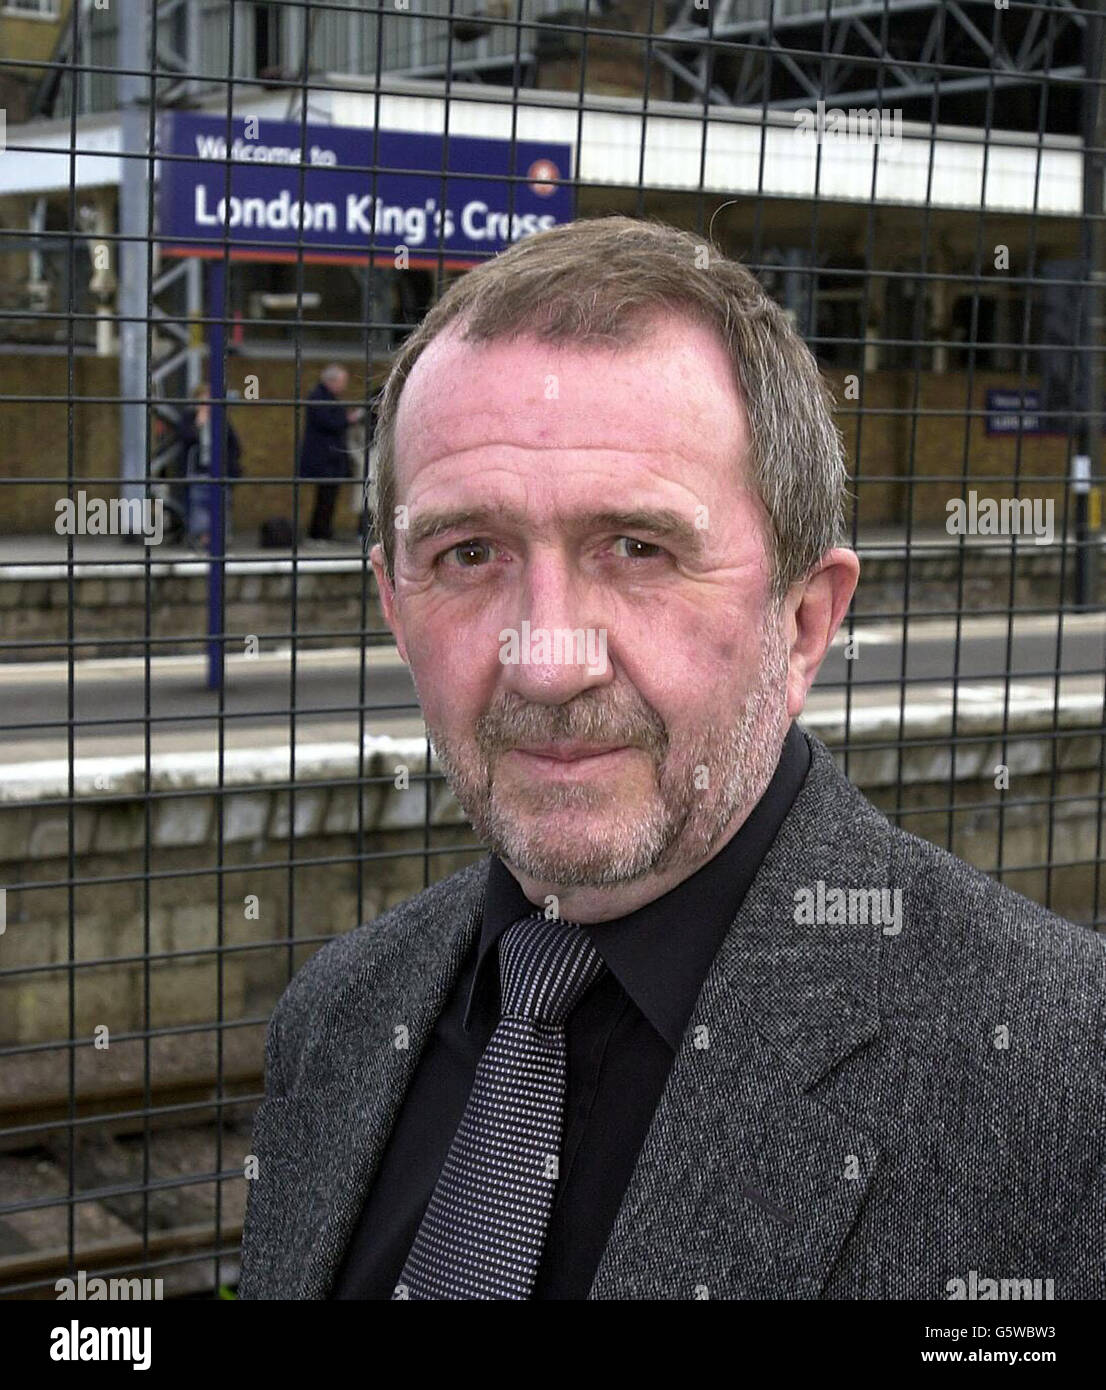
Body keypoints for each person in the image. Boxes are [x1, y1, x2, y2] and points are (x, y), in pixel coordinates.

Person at [238, 216, 1106, 1301]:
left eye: (636, 549)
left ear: (801, 623)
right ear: (394, 608)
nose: (548, 661)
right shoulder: (338, 1014)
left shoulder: (1064, 1080)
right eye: (468, 553)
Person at [297, 364, 363, 541]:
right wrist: (349, 419)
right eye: (342, 382)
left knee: (328, 497)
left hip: (330, 458)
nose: (344, 386)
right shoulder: (320, 398)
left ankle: (323, 532)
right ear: (331, 381)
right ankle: (319, 534)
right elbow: (330, 422)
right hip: (325, 458)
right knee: (325, 498)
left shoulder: (327, 397)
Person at [176, 382, 242, 550]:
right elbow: (185, 437)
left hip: (218, 471)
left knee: (221, 505)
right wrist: (199, 422)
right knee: (198, 507)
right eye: (203, 401)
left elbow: (234, 444)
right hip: (198, 470)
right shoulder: (189, 418)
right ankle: (201, 538)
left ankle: (220, 537)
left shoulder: (221, 420)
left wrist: (230, 463)